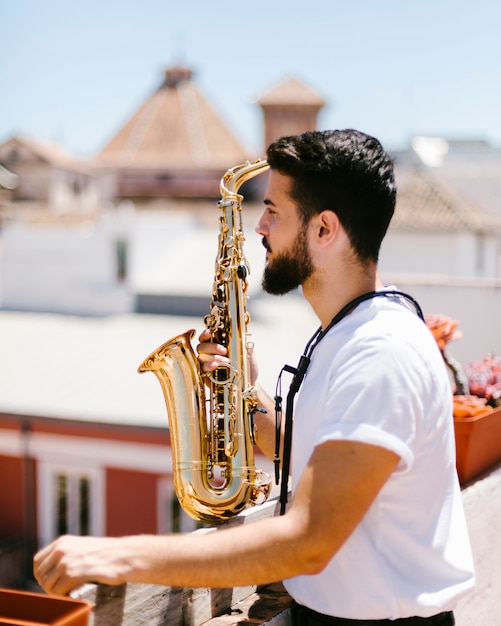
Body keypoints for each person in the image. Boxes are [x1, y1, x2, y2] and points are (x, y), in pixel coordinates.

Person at [33, 129, 475, 624]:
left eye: (274, 211)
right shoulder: (351, 332)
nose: (260, 225)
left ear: (324, 229)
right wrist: (243, 388)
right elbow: (308, 454)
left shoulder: (380, 353)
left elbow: (308, 540)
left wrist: (118, 555)